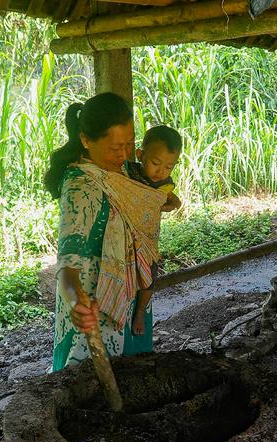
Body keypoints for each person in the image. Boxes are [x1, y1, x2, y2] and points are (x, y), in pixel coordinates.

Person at [43, 92, 168, 373]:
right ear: (87, 140)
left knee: (135, 377)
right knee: (87, 386)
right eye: (115, 148)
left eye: (128, 144)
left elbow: (143, 201)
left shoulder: (121, 169)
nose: (123, 154)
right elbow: (67, 262)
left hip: (130, 293)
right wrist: (77, 303)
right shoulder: (79, 186)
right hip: (94, 304)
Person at [124, 125, 183, 335]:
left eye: (169, 167)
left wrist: (168, 205)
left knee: (149, 277)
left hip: (148, 240)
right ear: (140, 155)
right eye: (155, 163)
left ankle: (139, 311)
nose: (161, 171)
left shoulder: (165, 186)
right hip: (125, 238)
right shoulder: (127, 173)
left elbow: (172, 202)